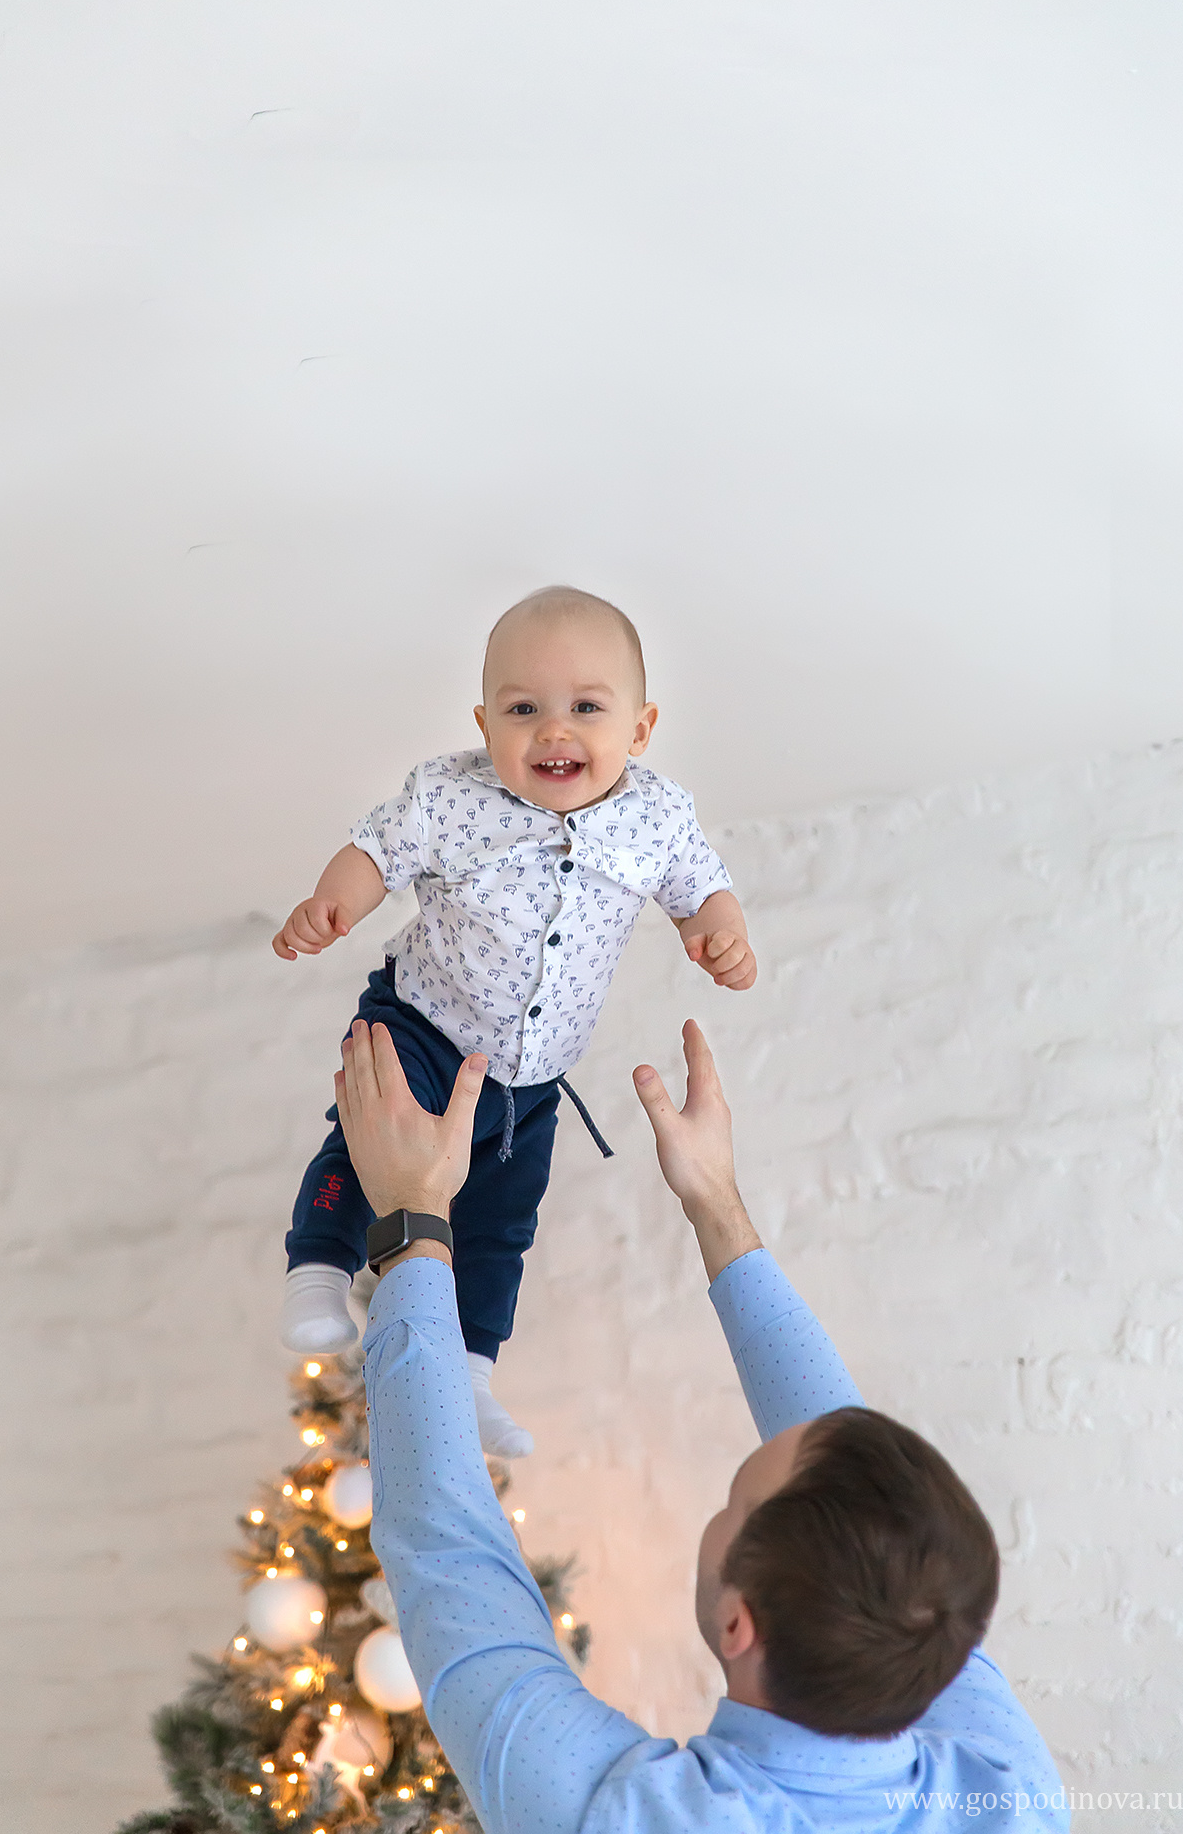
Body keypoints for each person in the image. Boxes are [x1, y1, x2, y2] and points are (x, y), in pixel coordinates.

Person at [337, 1014, 1069, 1834]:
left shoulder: (627, 1816)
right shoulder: (1008, 1794)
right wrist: (715, 1201)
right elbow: (845, 1460)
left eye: (733, 1500)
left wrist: (411, 1211)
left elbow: (445, 1539)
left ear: (737, 1622)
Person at [273, 585, 756, 1458]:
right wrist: (331, 903)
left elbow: (699, 889)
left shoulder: (657, 816)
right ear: (485, 723)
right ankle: (317, 1268)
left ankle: (472, 1372)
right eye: (523, 709)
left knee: (501, 1222)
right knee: (365, 1141)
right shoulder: (450, 797)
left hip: (532, 1076)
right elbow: (376, 852)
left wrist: (720, 932)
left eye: (586, 708)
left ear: (640, 730)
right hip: (423, 1023)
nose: (553, 730)